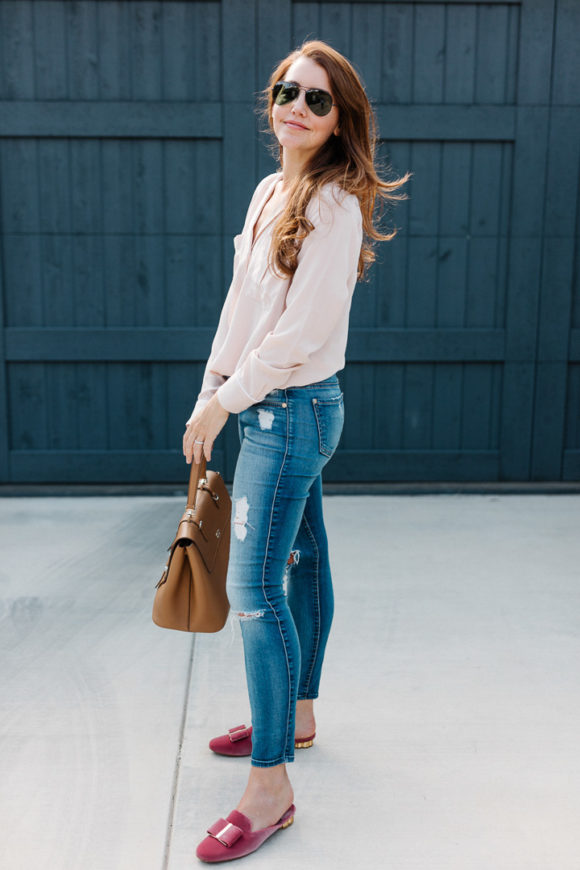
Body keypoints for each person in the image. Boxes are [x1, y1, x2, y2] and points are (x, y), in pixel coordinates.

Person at [183, 39, 410, 863]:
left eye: (319, 99)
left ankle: (271, 788)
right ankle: (299, 716)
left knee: (254, 591)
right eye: (289, 90)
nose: (298, 107)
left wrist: (226, 403)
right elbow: (241, 308)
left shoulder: (335, 204)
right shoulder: (270, 190)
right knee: (304, 562)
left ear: (341, 119)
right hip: (264, 408)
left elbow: (299, 333)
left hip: (293, 413)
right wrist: (211, 389)